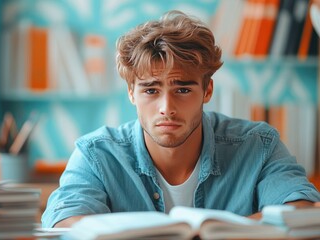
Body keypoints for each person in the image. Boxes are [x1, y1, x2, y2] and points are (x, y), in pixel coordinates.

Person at [42, 10, 320, 228]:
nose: (167, 107)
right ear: (131, 93)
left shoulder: (258, 145)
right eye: (151, 89)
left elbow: (299, 209)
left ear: (207, 90)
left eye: (183, 89)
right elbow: (66, 221)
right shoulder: (96, 154)